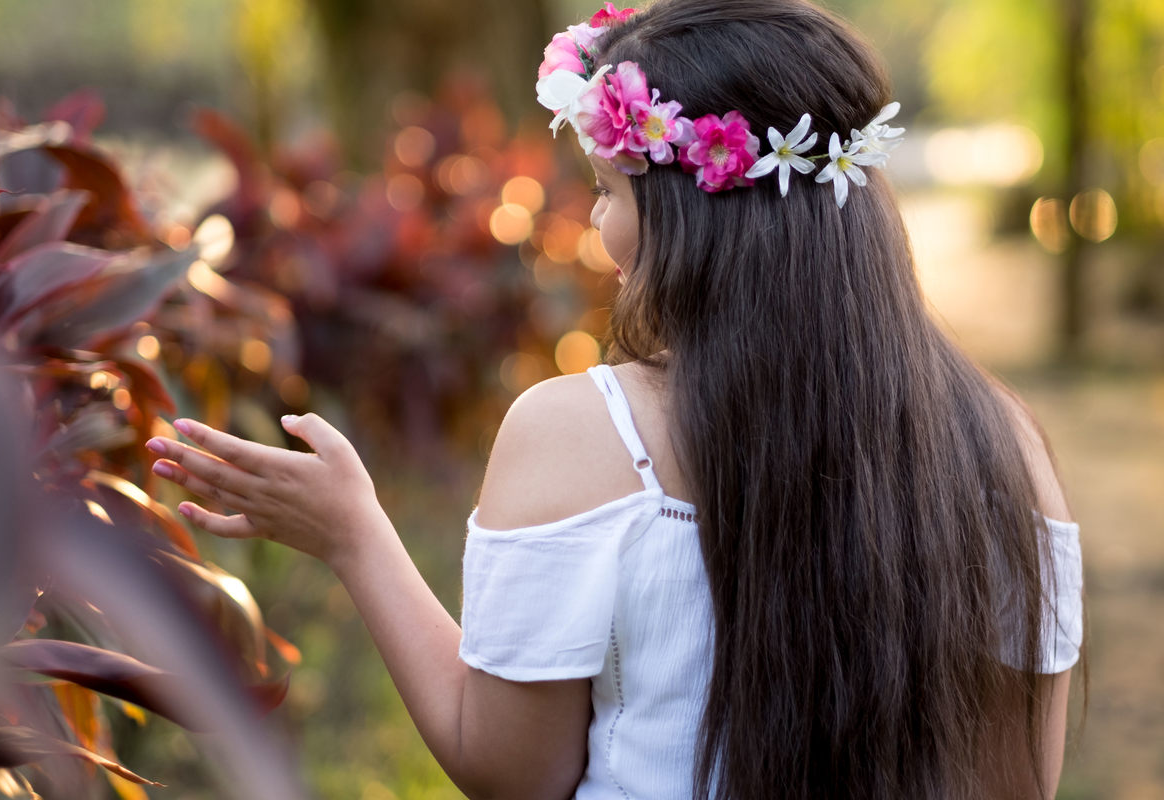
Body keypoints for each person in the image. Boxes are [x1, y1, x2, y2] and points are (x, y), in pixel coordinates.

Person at [147, 1, 1084, 797]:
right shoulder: (1004, 443)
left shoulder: (582, 434)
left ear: (693, 210)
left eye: (607, 190)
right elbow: (1021, 784)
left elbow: (513, 772)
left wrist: (355, 536)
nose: (598, 224)